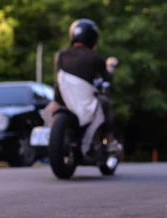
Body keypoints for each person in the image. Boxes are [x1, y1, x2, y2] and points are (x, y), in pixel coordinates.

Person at [50, 18, 118, 156]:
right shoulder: (94, 57)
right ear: (92, 38)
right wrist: (110, 66)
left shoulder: (60, 55)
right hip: (84, 103)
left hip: (63, 101)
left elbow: (58, 80)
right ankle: (110, 140)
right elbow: (107, 78)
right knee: (105, 102)